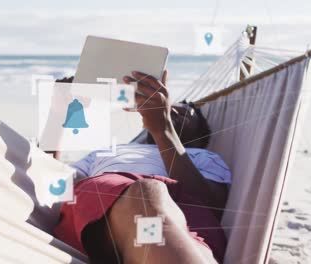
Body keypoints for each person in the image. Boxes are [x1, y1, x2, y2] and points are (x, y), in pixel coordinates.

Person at [53, 71, 230, 264]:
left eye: (186, 114)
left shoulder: (203, 157)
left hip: (185, 229)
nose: (173, 111)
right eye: (170, 108)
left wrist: (164, 130)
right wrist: (58, 115)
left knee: (149, 197)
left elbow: (210, 204)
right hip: (101, 224)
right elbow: (52, 184)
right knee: (146, 194)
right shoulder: (110, 152)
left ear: (198, 135)